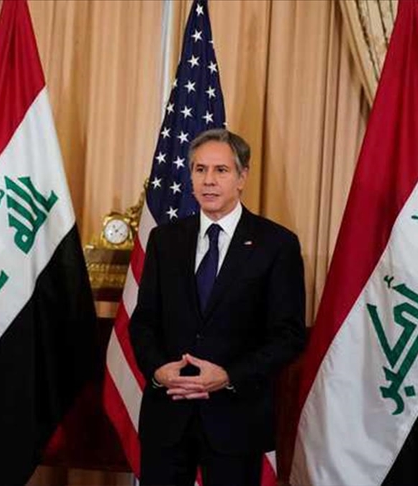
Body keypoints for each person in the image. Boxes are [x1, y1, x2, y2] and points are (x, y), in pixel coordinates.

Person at [130, 128, 306, 485]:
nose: (208, 180)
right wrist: (158, 370)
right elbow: (143, 321)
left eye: (221, 170)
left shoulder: (276, 244)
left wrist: (228, 376)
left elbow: (288, 336)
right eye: (200, 169)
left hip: (235, 419)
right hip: (169, 415)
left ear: (242, 177)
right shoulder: (164, 240)